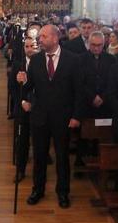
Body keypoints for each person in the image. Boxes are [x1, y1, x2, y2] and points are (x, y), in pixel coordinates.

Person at [17, 25, 83, 209]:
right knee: (39, 156)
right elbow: (29, 87)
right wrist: (22, 84)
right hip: (40, 116)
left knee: (62, 157)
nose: (40, 39)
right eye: (39, 37)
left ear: (55, 38)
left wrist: (76, 116)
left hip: (63, 117)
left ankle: (63, 192)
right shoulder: (37, 60)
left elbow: (79, 91)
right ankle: (38, 189)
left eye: (43, 36)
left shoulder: (73, 60)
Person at [9, 36, 37, 180]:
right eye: (27, 46)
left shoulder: (41, 62)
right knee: (22, 140)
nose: (30, 49)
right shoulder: (17, 65)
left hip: (38, 107)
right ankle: (20, 169)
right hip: (22, 107)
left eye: (32, 46)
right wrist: (22, 102)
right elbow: (13, 88)